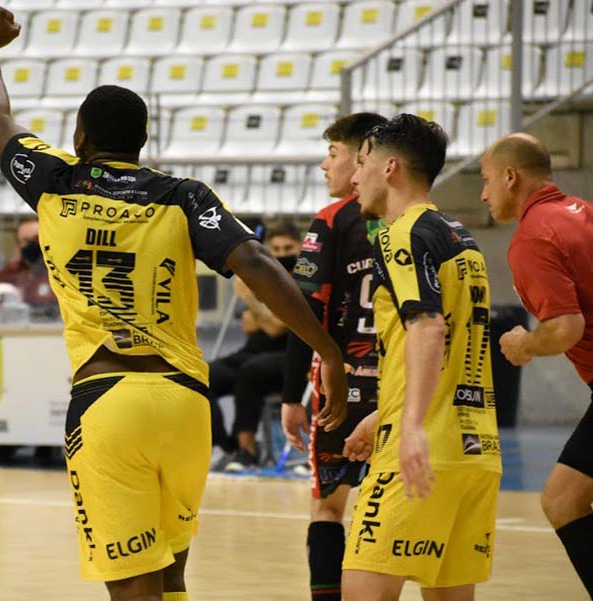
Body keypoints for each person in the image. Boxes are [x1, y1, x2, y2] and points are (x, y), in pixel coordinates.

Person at [0, 8, 349, 601]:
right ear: (143, 142)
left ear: (80, 138)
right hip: (184, 406)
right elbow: (256, 263)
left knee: (133, 589)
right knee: (172, 578)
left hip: (107, 402)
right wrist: (326, 349)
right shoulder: (182, 195)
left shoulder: (54, 178)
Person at [340, 114, 502, 601]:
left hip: (420, 449)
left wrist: (409, 426)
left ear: (390, 168)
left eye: (362, 163)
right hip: (475, 452)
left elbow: (428, 327)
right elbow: (453, 344)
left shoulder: (400, 235)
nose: (353, 176)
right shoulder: (459, 237)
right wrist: (383, 411)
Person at [279, 112, 387, 601]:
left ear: (363, 158)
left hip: (343, 392)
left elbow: (303, 310)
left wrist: (289, 395)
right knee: (392, 509)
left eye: (333, 154)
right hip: (403, 389)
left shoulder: (334, 218)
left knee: (328, 511)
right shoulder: (423, 220)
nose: (325, 165)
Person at [479, 133, 593, 597]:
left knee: (563, 500)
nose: (484, 193)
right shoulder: (584, 212)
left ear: (511, 176)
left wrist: (526, 344)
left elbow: (566, 328)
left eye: (487, 181)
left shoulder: (532, 238)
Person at [209, 222, 302, 472]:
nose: (282, 254)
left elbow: (275, 328)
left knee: (252, 371)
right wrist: (269, 316)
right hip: (253, 351)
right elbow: (249, 324)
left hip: (289, 357)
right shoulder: (264, 277)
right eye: (277, 248)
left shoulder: (304, 281)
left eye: (288, 248)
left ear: (301, 247)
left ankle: (247, 450)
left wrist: (251, 299)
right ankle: (228, 445)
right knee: (200, 375)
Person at [0, 216, 58, 317]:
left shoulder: (65, 272)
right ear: (18, 246)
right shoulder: (7, 275)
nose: (34, 245)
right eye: (27, 241)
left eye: (37, 239)